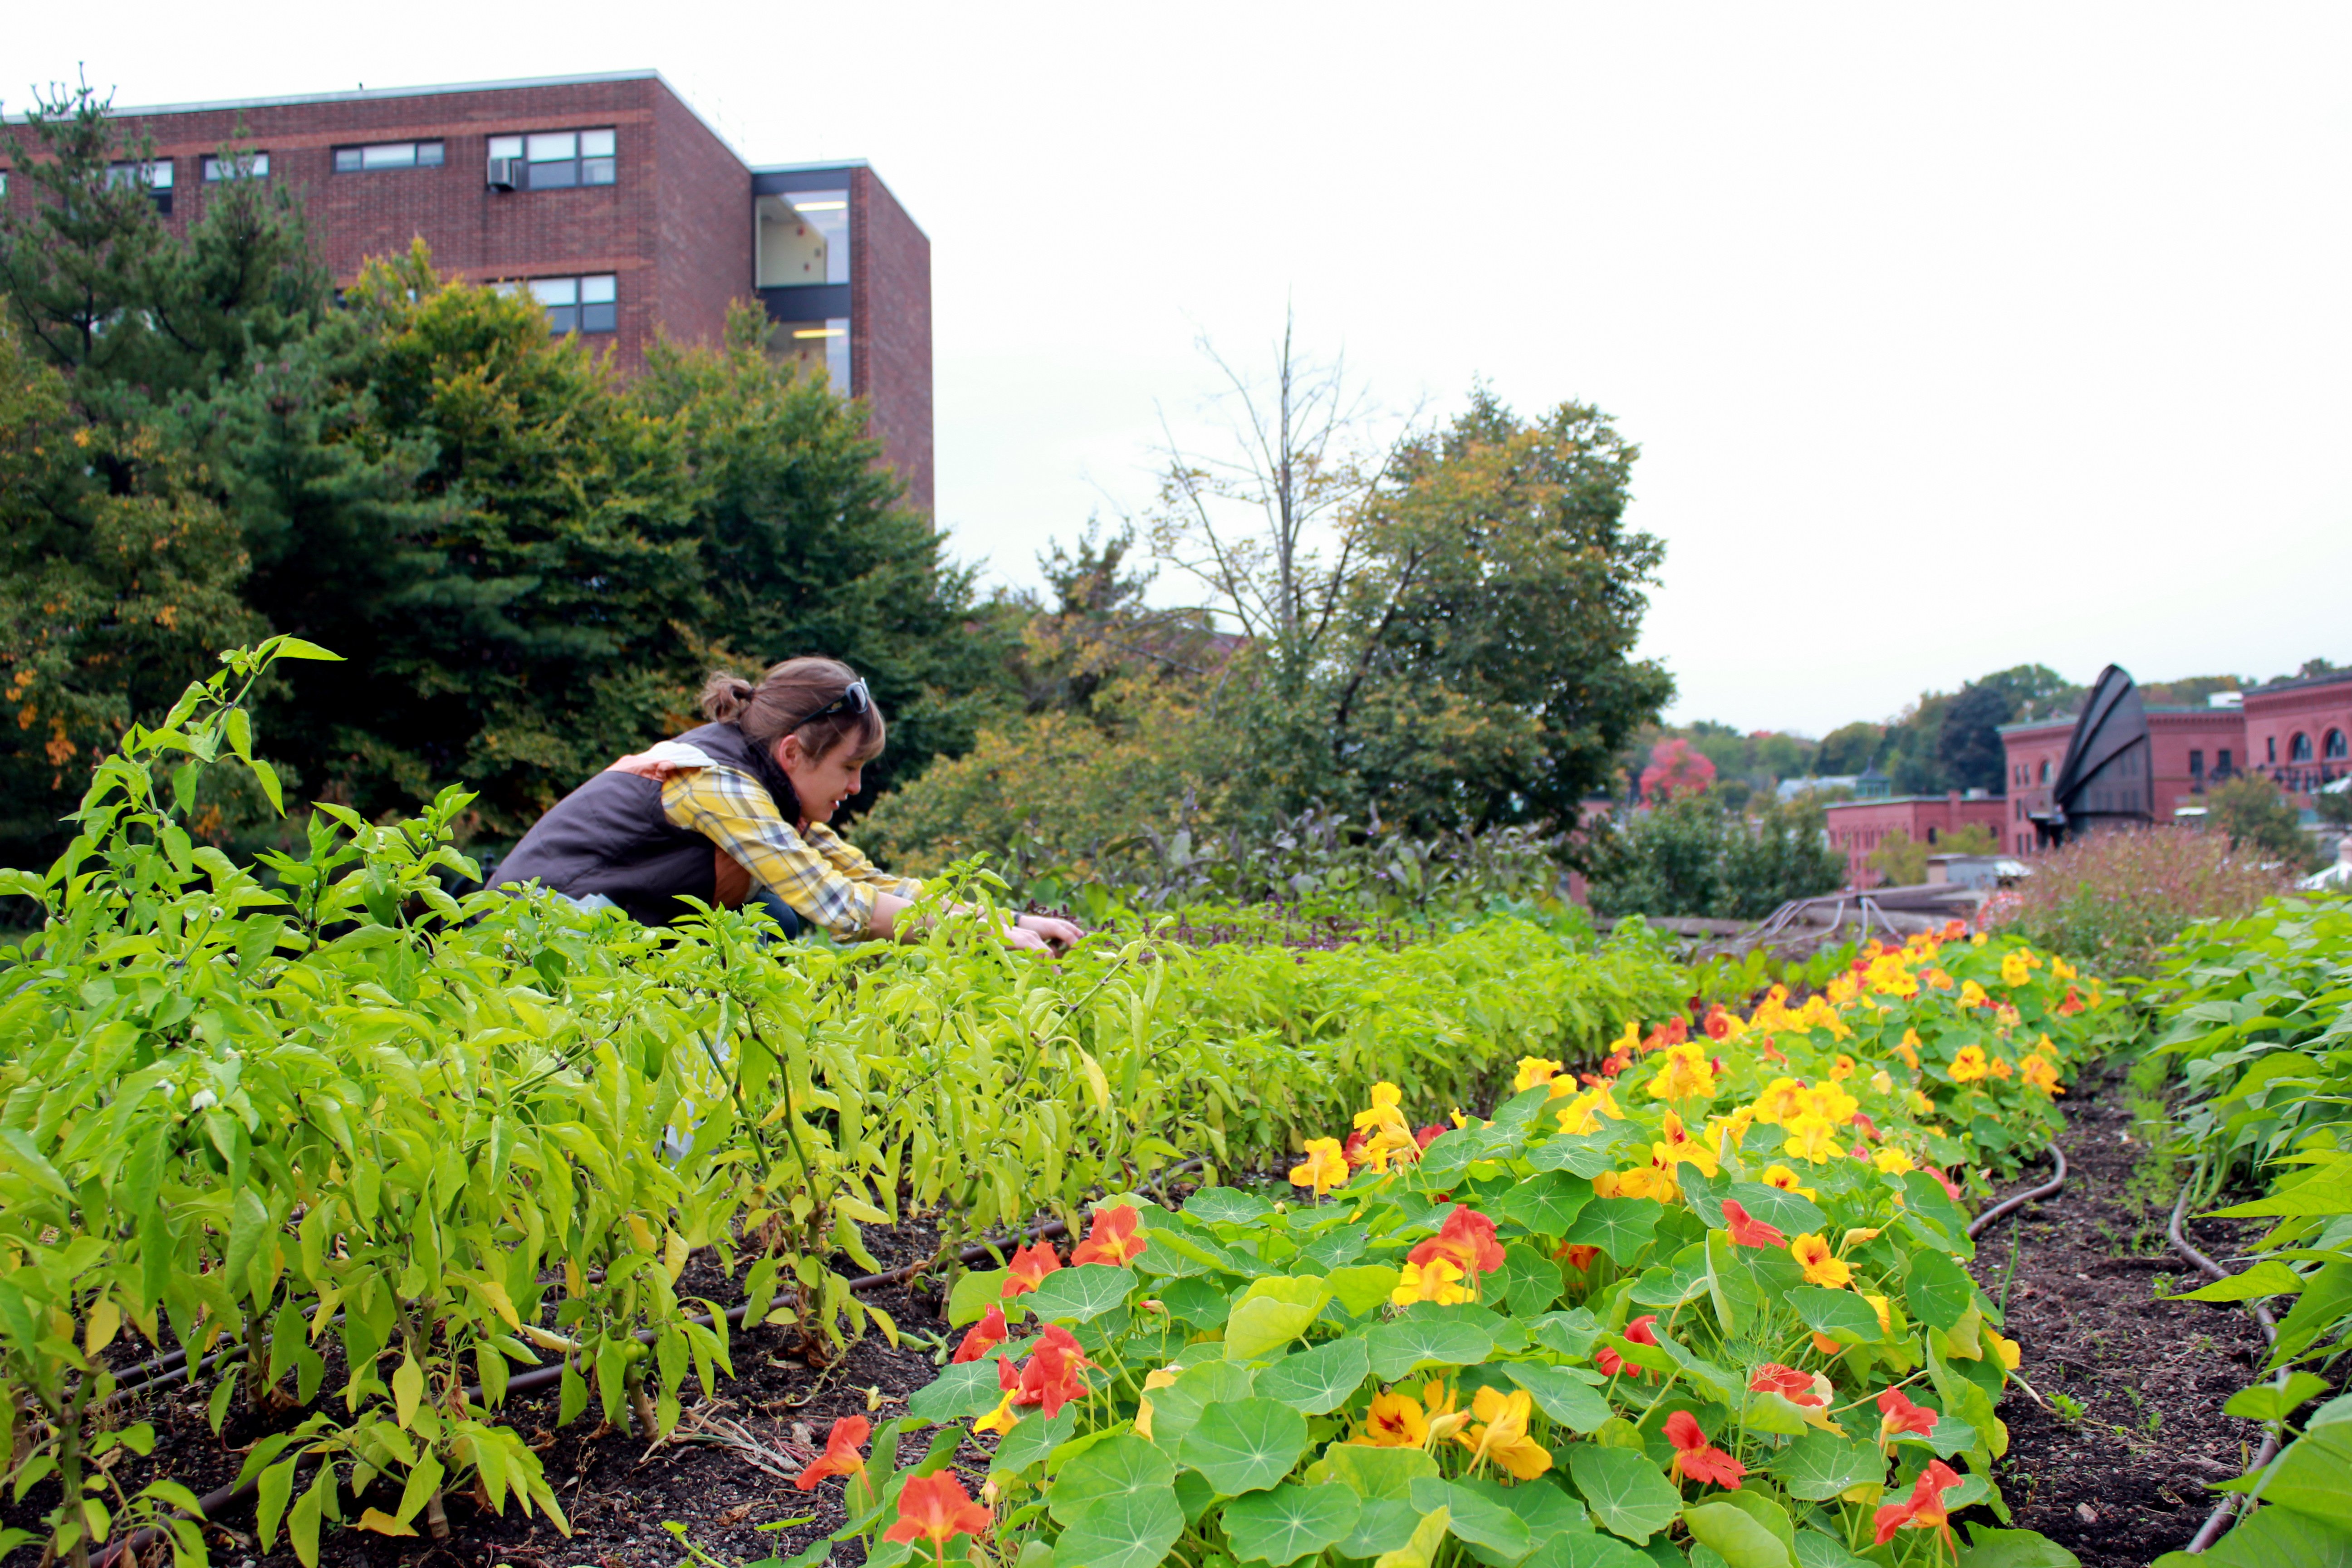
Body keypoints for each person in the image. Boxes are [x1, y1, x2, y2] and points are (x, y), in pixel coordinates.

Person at [496, 658, 1081, 954]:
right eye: (849, 768)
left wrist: (1016, 923)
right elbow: (838, 904)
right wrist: (976, 935)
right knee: (776, 919)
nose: (855, 789)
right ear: (794, 752)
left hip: (591, 947)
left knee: (768, 922)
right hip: (519, 945)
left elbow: (872, 882)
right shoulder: (717, 785)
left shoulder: (772, 802)